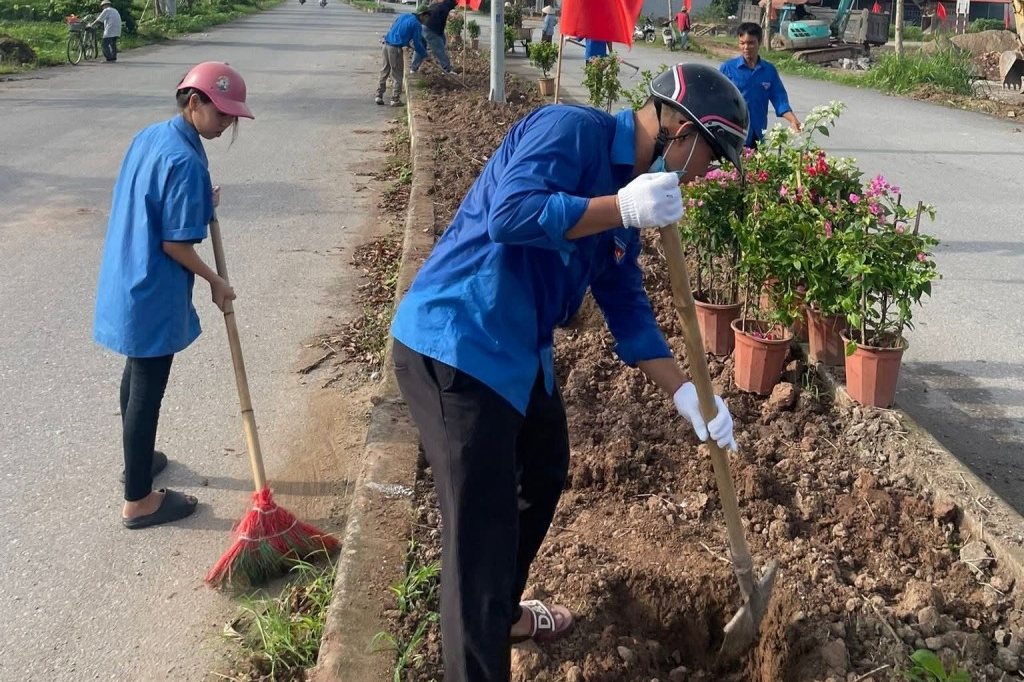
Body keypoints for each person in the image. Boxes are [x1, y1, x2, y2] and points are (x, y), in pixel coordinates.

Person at [389, 63, 748, 682]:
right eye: (708, 159)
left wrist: (689, 395)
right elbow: (511, 214)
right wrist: (618, 206)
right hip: (458, 340)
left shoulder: (629, 200)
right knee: (479, 536)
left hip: (520, 350)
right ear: (678, 130)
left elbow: (628, 309)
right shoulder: (571, 130)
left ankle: (499, 611)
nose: (704, 176)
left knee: (546, 465)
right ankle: (479, 639)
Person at [93, 62, 253, 529]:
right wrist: (216, 282)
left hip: (128, 272)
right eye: (220, 113)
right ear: (193, 102)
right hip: (153, 283)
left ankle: (135, 461)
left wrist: (202, 198)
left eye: (232, 117)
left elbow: (156, 194)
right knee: (147, 386)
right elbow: (174, 243)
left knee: (135, 371)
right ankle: (138, 499)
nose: (226, 124)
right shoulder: (185, 160)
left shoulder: (156, 136)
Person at [719, 21, 801, 148]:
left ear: (760, 42)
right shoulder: (727, 68)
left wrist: (792, 119)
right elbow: (716, 98)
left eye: (751, 43)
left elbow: (779, 99)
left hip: (757, 133)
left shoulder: (769, 71)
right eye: (742, 43)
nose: (746, 47)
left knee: (756, 167)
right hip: (733, 133)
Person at [376, 5, 430, 106]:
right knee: (397, 74)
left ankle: (379, 96)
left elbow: (394, 28)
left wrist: (406, 42)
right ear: (422, 15)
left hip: (386, 45)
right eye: (427, 17)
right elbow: (417, 43)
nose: (426, 20)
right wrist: (425, 55)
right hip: (395, 49)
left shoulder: (403, 16)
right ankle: (395, 99)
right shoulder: (417, 24)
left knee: (384, 71)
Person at [418, 0, 458, 76]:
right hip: (431, 29)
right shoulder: (445, 9)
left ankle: (413, 68)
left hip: (423, 26)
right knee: (440, 49)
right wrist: (440, 36)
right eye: (453, 6)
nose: (453, 8)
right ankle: (447, 69)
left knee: (421, 47)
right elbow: (441, 24)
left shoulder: (436, 4)